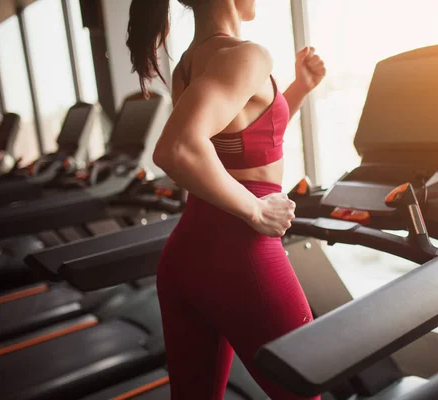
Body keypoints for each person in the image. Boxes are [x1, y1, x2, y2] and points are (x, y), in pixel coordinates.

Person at [126, 0, 326, 399]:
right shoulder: (246, 55)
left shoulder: (190, 61)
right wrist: (256, 209)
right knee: (305, 393)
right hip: (241, 254)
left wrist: (297, 89)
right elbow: (177, 149)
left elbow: (245, 138)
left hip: (187, 254)